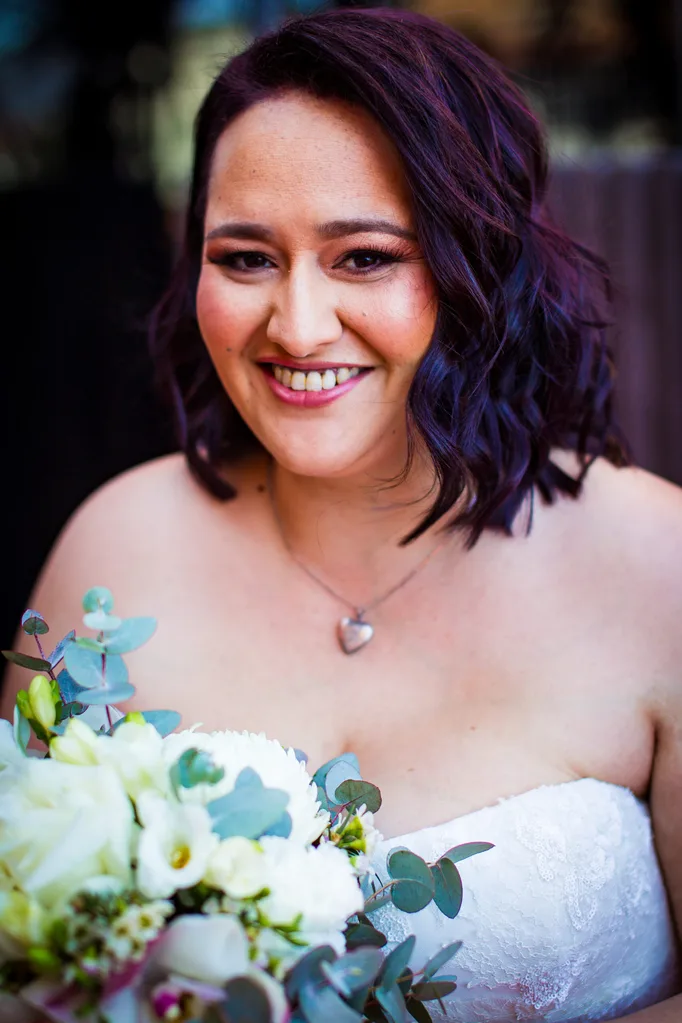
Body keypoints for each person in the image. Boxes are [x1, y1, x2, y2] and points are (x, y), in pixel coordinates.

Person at [3, 7, 682, 1020]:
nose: (298, 324)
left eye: (364, 256)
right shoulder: (115, 546)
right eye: (244, 258)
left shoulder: (657, 564)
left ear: (478, 266)